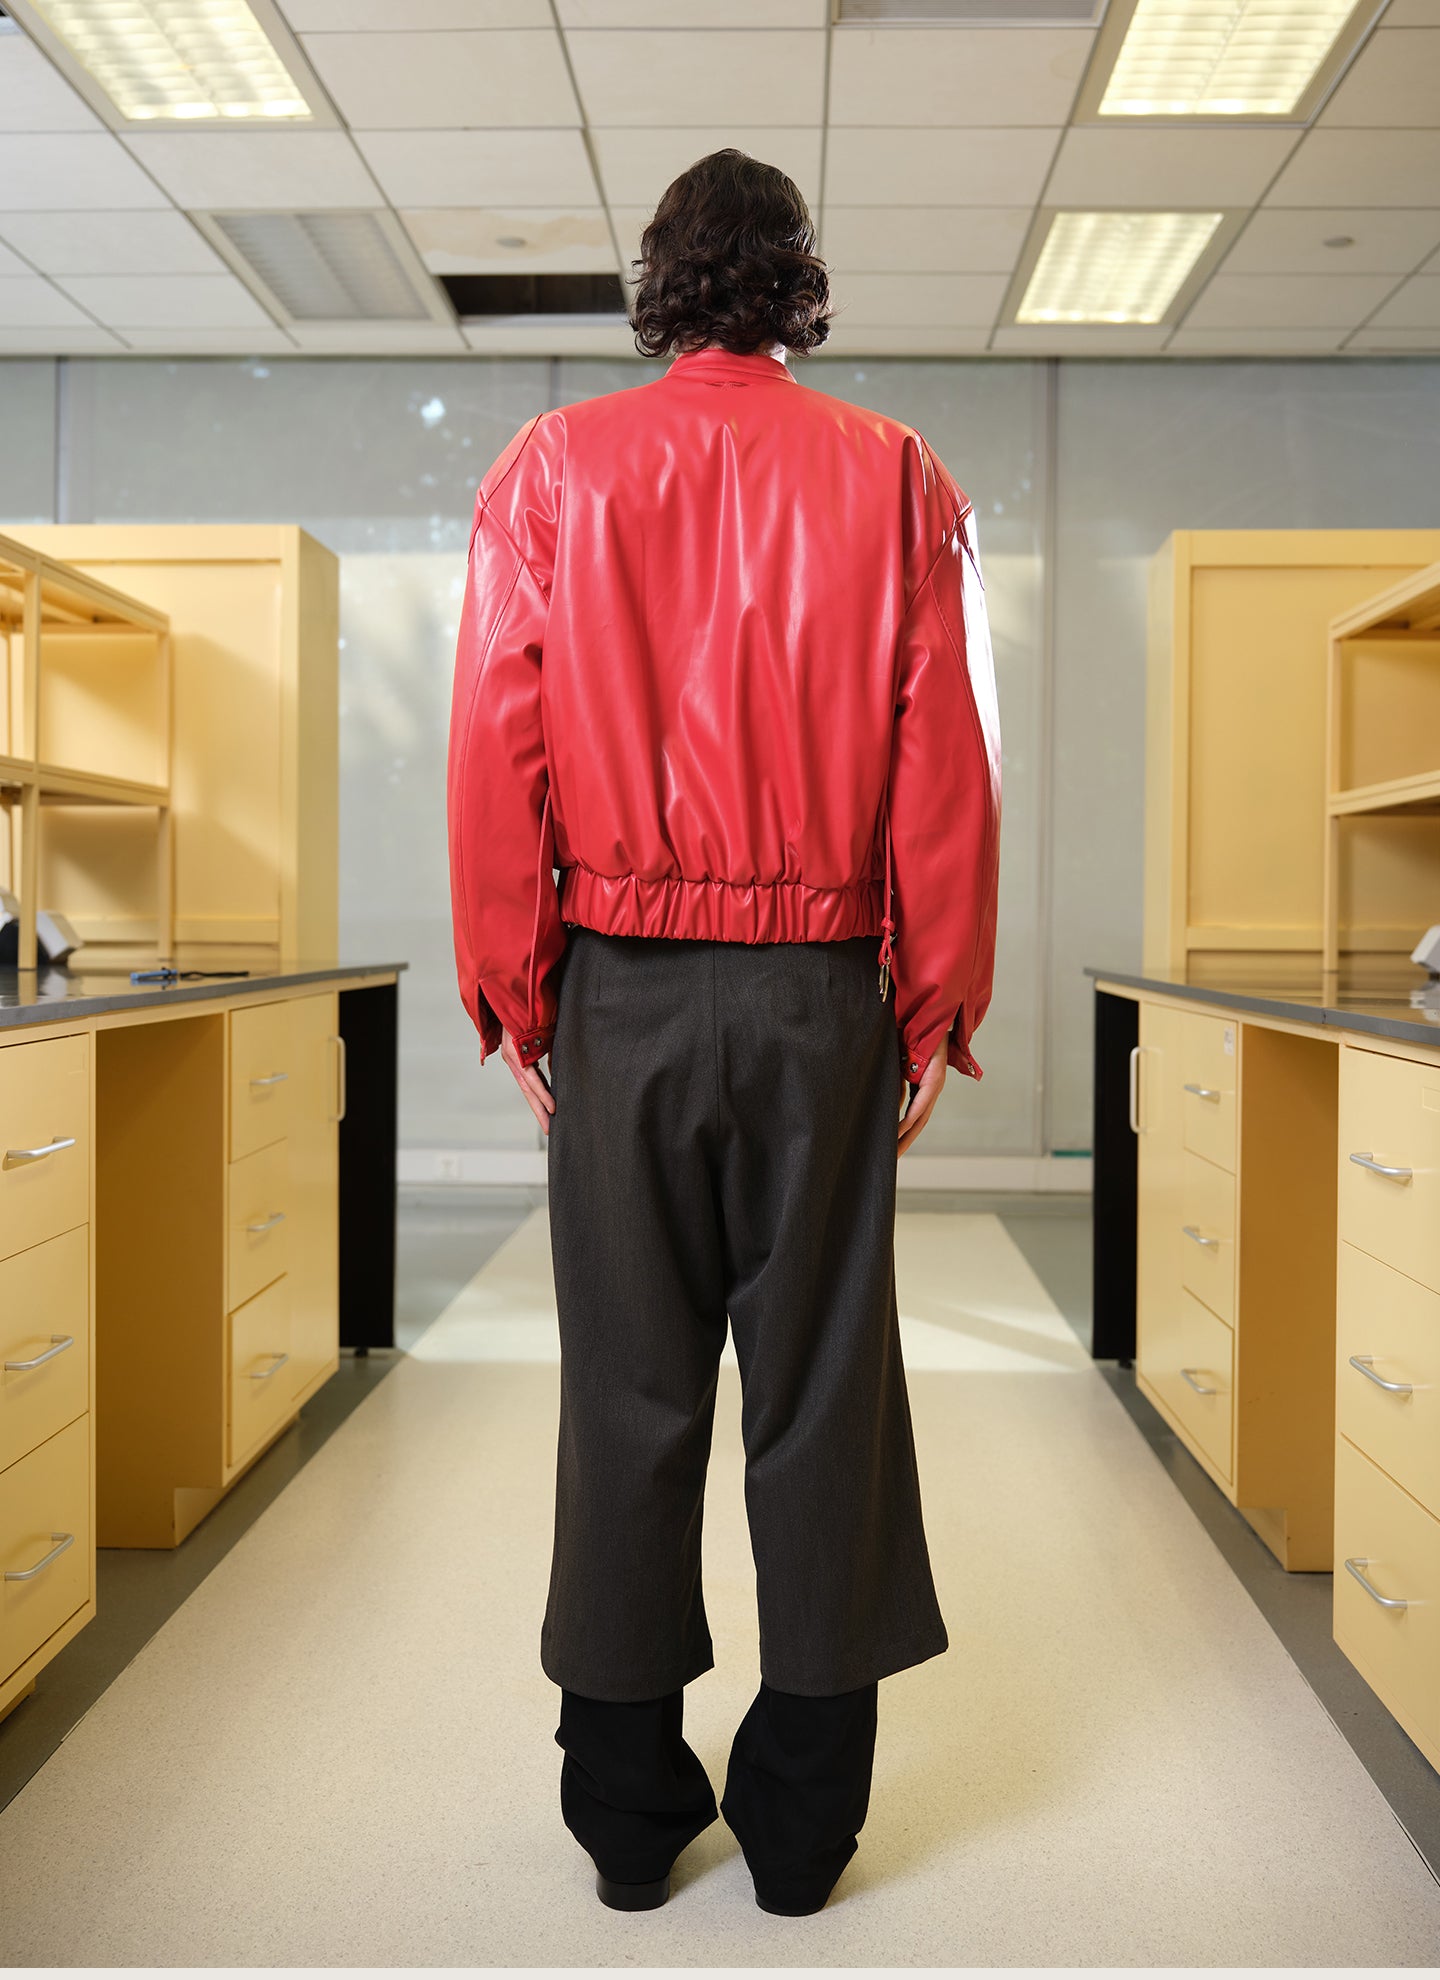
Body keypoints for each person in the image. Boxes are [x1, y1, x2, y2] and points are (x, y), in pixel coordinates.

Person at [446, 148, 1001, 1918]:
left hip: (616, 984)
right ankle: (803, 1825)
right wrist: (937, 999)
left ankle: (622, 1814)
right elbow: (945, 755)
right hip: (820, 990)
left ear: (660, 281)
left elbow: (493, 739)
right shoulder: (897, 476)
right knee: (824, 1388)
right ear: (800, 285)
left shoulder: (550, 470)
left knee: (625, 1388)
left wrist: (509, 980)